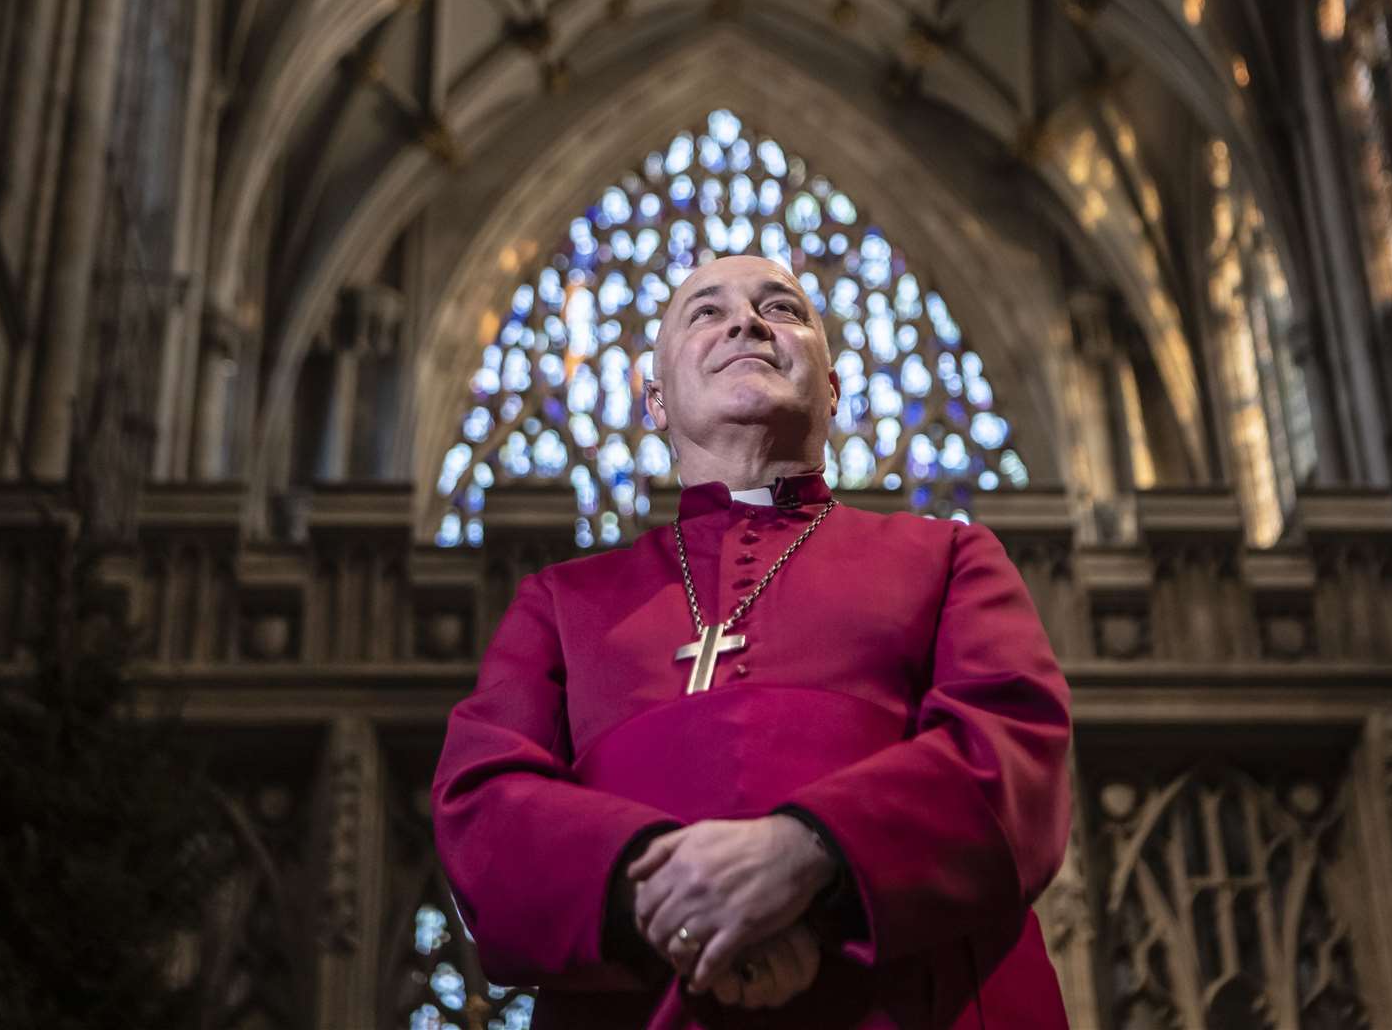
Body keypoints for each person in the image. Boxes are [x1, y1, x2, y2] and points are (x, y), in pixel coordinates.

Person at [432, 254, 1072, 1028]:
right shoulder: (563, 603)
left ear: (832, 392)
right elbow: (480, 806)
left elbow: (1013, 750)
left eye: (784, 310)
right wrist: (658, 891)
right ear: (656, 402)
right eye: (707, 311)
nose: (747, 321)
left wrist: (813, 857)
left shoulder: (950, 559)